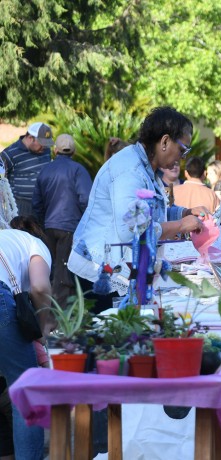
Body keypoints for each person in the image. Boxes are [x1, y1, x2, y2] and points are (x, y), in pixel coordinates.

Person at [68, 106, 207, 310]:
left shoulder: (146, 168)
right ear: (165, 141)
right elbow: (133, 228)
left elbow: (149, 211)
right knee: (111, 338)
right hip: (100, 272)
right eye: (183, 149)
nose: (183, 157)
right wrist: (180, 226)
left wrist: (183, 213)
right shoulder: (129, 170)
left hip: (118, 269)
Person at [0, 216, 53, 459]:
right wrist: (43, 327)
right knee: (26, 388)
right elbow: (40, 288)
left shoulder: (7, 239)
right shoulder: (36, 245)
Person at [32, 134, 93, 307]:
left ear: (55, 150)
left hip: (49, 227)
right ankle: (62, 318)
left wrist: (44, 223)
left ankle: (47, 313)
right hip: (71, 228)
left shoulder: (45, 170)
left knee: (51, 273)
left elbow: (36, 202)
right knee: (64, 274)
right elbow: (86, 199)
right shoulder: (78, 170)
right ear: (73, 150)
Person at [0, 122, 54, 217]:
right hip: (20, 207)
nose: (45, 147)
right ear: (30, 138)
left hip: (43, 205)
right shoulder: (9, 154)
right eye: (42, 143)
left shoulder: (46, 151)